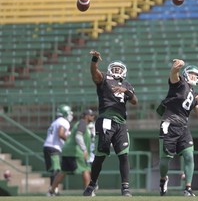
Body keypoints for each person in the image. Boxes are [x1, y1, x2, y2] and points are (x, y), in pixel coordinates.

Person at [83, 50, 138, 197]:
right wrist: (94, 60)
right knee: (101, 155)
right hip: (106, 119)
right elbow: (94, 73)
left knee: (124, 155)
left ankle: (125, 188)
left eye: (119, 69)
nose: (116, 71)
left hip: (121, 123)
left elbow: (135, 101)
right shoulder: (105, 79)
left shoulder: (127, 84)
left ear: (124, 72)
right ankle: (92, 184)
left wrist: (126, 91)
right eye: (114, 68)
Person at [156, 59, 198, 197]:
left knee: (189, 156)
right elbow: (173, 74)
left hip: (183, 127)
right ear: (185, 74)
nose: (194, 77)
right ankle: (163, 179)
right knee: (164, 161)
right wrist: (176, 67)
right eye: (191, 74)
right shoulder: (179, 84)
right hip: (169, 124)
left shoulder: (196, 95)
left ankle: (188, 189)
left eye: (196, 76)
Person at [47, 109, 96, 196]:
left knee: (63, 172)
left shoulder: (84, 125)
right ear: (86, 116)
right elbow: (78, 136)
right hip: (75, 151)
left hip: (67, 151)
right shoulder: (82, 123)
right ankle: (88, 192)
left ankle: (51, 192)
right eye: (91, 115)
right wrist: (84, 149)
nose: (93, 117)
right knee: (86, 169)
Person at [43, 104, 73, 195]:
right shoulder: (63, 121)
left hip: (48, 147)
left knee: (54, 170)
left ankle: (53, 190)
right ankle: (52, 191)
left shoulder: (56, 121)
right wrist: (70, 143)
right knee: (56, 170)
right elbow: (61, 133)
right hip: (54, 148)